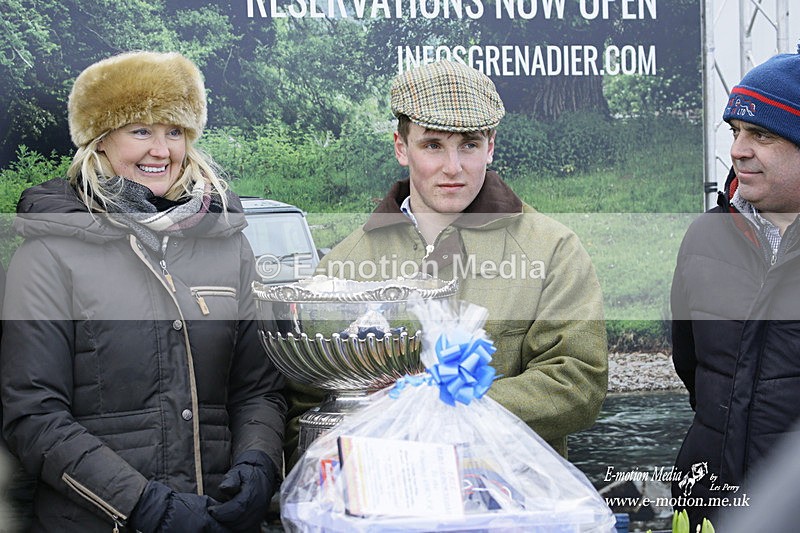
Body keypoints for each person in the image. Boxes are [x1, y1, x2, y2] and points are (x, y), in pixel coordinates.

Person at [0, 51, 286, 531]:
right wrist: (142, 506)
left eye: (174, 131)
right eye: (140, 131)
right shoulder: (49, 253)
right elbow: (34, 415)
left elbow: (258, 388)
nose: (161, 150)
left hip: (217, 517)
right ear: (101, 139)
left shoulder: (227, 244)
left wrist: (259, 464)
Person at [286, 60, 608, 465]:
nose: (453, 167)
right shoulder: (342, 266)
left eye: (469, 145)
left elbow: (578, 384)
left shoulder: (553, 250)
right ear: (402, 147)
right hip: (382, 510)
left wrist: (443, 406)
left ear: (490, 146)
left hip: (512, 507)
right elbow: (306, 408)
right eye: (433, 145)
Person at [670, 45, 800, 529]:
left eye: (761, 134)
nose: (738, 149)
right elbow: (693, 369)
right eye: (736, 131)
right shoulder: (706, 236)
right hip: (704, 507)